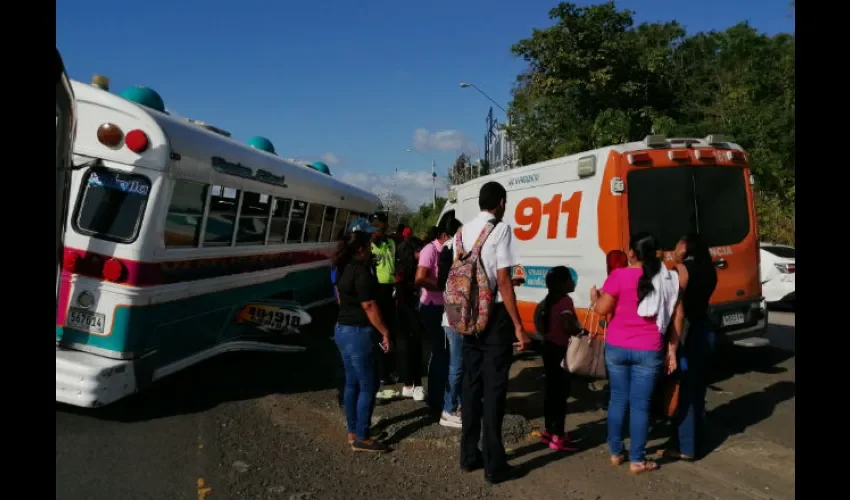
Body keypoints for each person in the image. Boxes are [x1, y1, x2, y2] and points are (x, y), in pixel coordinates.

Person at [457, 181, 530, 484]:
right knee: (494, 389)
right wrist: (518, 324)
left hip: (467, 314)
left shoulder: (461, 232)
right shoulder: (501, 230)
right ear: (500, 202)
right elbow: (503, 281)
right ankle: (494, 464)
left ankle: (468, 455)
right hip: (495, 316)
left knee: (471, 385)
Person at [590, 232, 681, 474]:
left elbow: (601, 309)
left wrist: (594, 298)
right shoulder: (666, 278)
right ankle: (638, 460)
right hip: (649, 349)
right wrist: (672, 349)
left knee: (618, 400)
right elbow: (674, 316)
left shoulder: (619, 275)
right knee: (641, 405)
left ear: (631, 253)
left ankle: (616, 453)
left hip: (617, 347)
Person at [333, 218, 392, 453]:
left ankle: (353, 430)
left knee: (352, 382)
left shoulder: (342, 266)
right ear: (361, 248)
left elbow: (340, 297)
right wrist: (385, 331)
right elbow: (369, 305)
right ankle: (362, 436)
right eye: (368, 246)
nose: (371, 250)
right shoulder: (361, 272)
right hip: (358, 333)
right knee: (369, 384)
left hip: (342, 329)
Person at [658, 233, 718, 461]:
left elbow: (676, 303)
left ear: (685, 247)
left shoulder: (684, 269)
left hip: (688, 332)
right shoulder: (709, 269)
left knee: (684, 390)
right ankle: (695, 439)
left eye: (677, 245)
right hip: (705, 330)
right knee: (698, 390)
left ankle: (685, 447)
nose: (674, 249)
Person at [535, 266, 582, 452]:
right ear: (562, 284)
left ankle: (549, 431)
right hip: (561, 351)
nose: (573, 282)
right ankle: (559, 437)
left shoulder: (548, 301)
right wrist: (580, 332)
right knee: (561, 395)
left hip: (548, 349)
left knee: (550, 392)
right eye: (570, 279)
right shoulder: (565, 301)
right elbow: (567, 324)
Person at [415, 215, 454, 415]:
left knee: (443, 352)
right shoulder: (430, 250)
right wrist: (440, 287)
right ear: (444, 235)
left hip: (442, 306)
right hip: (432, 306)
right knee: (440, 352)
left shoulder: (446, 250)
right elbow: (420, 278)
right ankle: (436, 398)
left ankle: (440, 394)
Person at [439, 217, 464, 428]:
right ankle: (449, 409)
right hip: (454, 309)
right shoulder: (451, 249)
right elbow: (445, 282)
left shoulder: (450, 248)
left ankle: (457, 406)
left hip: (454, 308)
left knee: (460, 362)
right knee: (457, 364)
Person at [395, 226, 425, 401]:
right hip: (408, 308)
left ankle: (409, 384)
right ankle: (414, 384)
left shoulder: (404, 265)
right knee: (412, 346)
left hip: (404, 307)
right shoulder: (410, 272)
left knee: (407, 346)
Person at [370, 212, 398, 387]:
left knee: (390, 330)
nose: (381, 230)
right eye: (378, 227)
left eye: (383, 226)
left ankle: (388, 369)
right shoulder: (368, 246)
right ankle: (379, 372)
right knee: (378, 331)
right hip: (376, 289)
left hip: (391, 289)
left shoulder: (391, 243)